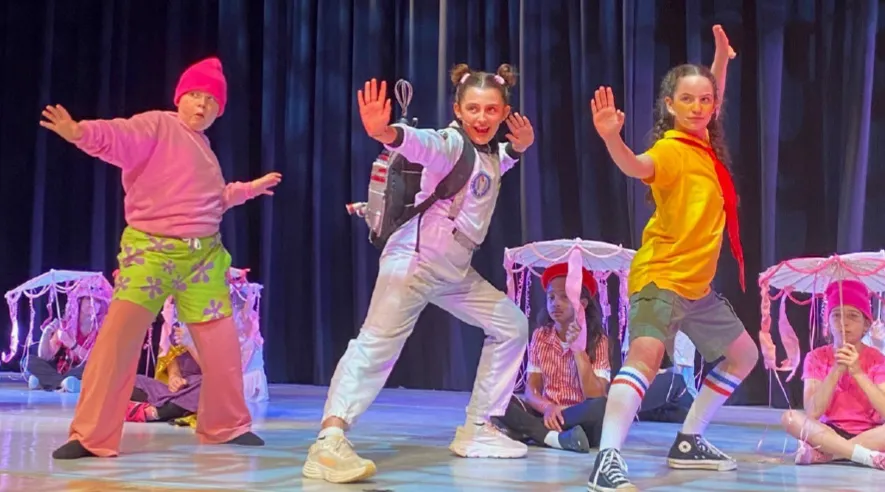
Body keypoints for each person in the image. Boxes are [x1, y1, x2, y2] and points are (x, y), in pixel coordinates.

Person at [302, 64, 535, 484]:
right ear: (458, 111)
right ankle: (328, 442)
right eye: (473, 109)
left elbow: (495, 167)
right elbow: (421, 145)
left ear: (504, 113)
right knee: (375, 347)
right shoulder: (450, 144)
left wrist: (519, 150)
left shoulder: (486, 155)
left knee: (512, 326)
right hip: (414, 261)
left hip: (453, 271)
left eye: (491, 110)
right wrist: (386, 133)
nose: (482, 117)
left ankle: (478, 429)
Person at [39, 56, 279, 459]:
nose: (202, 105)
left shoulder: (203, 148)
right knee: (118, 341)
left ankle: (225, 426)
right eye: (195, 96)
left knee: (221, 347)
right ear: (180, 98)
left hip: (203, 259)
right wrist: (80, 132)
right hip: (151, 252)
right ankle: (91, 435)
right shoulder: (158, 126)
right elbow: (118, 136)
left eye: (212, 101)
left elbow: (212, 201)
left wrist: (249, 189)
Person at [586, 26, 759, 491]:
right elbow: (637, 167)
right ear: (670, 105)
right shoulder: (671, 150)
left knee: (743, 355)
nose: (699, 106)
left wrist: (720, 58)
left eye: (705, 100)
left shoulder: (703, 148)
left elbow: (712, 89)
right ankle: (606, 460)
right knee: (645, 358)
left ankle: (688, 440)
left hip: (695, 288)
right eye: (688, 99)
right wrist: (611, 139)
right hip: (662, 278)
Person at [495, 263, 693, 453]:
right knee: (498, 399)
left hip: (582, 414)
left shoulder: (597, 339)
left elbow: (595, 395)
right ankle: (553, 437)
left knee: (603, 405)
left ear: (582, 304)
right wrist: (547, 407)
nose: (555, 303)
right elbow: (531, 389)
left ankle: (531, 431)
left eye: (564, 297)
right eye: (551, 297)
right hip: (548, 413)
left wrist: (578, 350)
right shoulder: (541, 335)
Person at [781, 280, 885, 469]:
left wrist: (858, 372)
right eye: (836, 315)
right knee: (789, 418)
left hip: (869, 433)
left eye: (853, 316)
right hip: (827, 431)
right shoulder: (816, 357)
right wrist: (836, 370)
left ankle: (830, 454)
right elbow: (812, 412)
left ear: (866, 325)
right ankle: (865, 456)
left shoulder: (877, 359)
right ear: (827, 323)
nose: (843, 323)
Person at [27, 280, 111, 393]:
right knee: (28, 361)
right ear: (79, 301)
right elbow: (45, 357)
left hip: (85, 370)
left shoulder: (102, 328)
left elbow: (96, 360)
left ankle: (47, 381)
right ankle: (64, 383)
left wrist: (72, 344)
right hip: (64, 371)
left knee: (93, 367)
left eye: (97, 301)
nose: (93, 303)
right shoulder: (66, 326)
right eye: (88, 299)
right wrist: (46, 333)